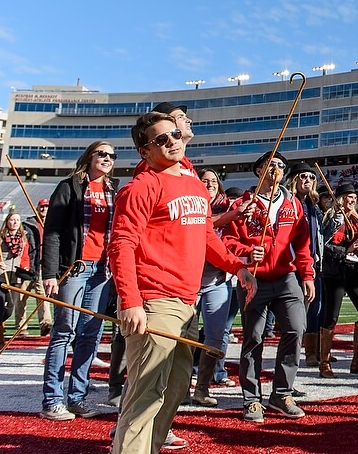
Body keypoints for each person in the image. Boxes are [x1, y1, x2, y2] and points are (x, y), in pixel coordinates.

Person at [108, 111, 256, 454]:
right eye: (161, 139)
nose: (172, 140)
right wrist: (130, 301)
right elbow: (121, 246)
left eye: (174, 134)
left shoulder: (192, 184)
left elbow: (207, 237)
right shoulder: (140, 187)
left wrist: (237, 267)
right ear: (145, 151)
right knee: (144, 397)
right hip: (153, 301)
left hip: (187, 304)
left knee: (173, 392)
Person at [222, 151, 315, 422]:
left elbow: (303, 244)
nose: (276, 169)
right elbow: (227, 239)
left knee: (296, 329)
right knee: (253, 337)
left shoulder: (293, 204)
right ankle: (251, 399)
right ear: (259, 169)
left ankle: (281, 393)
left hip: (286, 277)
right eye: (271, 164)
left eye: (281, 166)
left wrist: (307, 274)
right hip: (254, 278)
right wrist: (247, 252)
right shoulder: (242, 204)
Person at [39, 141, 118, 421]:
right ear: (89, 157)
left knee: (90, 335)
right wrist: (49, 273)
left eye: (112, 155)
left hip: (102, 271)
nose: (108, 159)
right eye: (102, 154)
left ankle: (77, 397)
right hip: (74, 269)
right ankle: (52, 400)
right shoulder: (69, 187)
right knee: (64, 332)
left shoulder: (113, 191)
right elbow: (52, 232)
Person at [190, 167, 252, 406]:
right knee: (187, 337)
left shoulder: (229, 206)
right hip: (191, 279)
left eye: (213, 180)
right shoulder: (193, 205)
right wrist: (233, 214)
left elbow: (234, 239)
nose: (209, 184)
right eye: (204, 180)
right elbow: (201, 226)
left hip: (218, 279)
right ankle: (183, 385)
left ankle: (203, 386)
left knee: (216, 335)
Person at [319, 182, 358, 378]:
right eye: (348, 198)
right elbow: (323, 246)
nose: (351, 201)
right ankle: (324, 363)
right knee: (331, 316)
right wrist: (347, 250)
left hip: (354, 270)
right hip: (334, 271)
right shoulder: (330, 219)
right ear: (340, 199)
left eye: (354, 198)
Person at [287, 163, 326, 368]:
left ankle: (309, 354)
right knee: (295, 318)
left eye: (311, 177)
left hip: (313, 265)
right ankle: (290, 362)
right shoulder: (289, 202)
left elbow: (321, 236)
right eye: (303, 176)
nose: (308, 181)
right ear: (294, 179)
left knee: (313, 311)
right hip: (294, 267)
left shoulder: (312, 205)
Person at [0, 211, 35, 350]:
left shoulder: (23, 240)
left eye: (18, 220)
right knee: (0, 307)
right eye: (12, 220)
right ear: (7, 221)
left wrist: (25, 266)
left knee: (10, 309)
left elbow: (25, 258)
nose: (15, 222)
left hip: (13, 278)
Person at [18, 199, 54, 335]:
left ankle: (46, 323)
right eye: (42, 206)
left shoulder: (53, 223)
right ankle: (21, 326)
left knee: (43, 296)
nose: (44, 209)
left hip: (42, 266)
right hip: (27, 265)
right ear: (37, 208)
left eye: (46, 207)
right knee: (21, 297)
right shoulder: (27, 224)